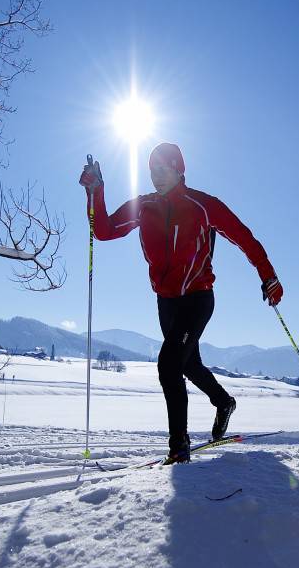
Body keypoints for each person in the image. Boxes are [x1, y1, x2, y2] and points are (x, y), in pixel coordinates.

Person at [80, 142, 282, 464]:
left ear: (179, 170)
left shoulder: (203, 205)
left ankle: (179, 446)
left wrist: (268, 275)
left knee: (169, 364)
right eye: (152, 171)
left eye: (164, 170)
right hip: (167, 302)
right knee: (188, 364)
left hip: (198, 298)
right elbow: (103, 231)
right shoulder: (143, 206)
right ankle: (223, 402)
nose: (157, 177)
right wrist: (96, 190)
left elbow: (243, 236)